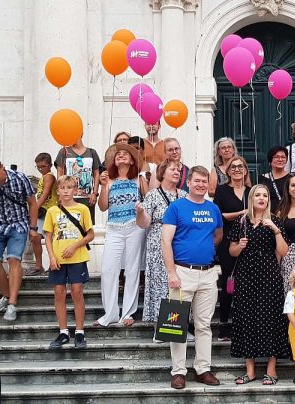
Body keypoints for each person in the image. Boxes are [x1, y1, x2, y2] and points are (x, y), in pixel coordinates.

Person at [162, 166, 223, 390]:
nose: (200, 185)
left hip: (207, 273)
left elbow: (218, 235)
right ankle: (178, 372)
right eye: (196, 181)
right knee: (175, 324)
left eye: (204, 182)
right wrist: (171, 272)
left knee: (204, 325)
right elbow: (165, 241)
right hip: (181, 272)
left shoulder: (213, 209)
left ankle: (202, 369)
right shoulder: (176, 207)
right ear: (188, 182)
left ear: (208, 184)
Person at [229, 184, 290, 385]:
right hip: (246, 275)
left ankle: (271, 370)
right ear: (252, 199)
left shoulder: (276, 221)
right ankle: (251, 370)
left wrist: (276, 231)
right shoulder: (242, 221)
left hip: (269, 275)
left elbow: (283, 251)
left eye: (265, 195)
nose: (262, 198)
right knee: (246, 318)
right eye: (258, 195)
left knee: (271, 318)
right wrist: (240, 245)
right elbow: (232, 252)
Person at [0, 154, 39, 322]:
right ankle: (5, 295)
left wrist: (33, 228)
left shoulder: (20, 178)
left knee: (13, 259)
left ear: (2, 167)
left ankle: (12, 303)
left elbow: (32, 203)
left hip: (18, 225)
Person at [95, 143, 147, 327]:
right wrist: (102, 187)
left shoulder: (139, 179)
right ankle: (110, 313)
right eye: (118, 155)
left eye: (126, 154)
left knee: (132, 270)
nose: (122, 156)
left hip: (135, 227)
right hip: (114, 228)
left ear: (132, 160)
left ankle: (128, 313)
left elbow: (147, 201)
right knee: (109, 270)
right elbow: (102, 207)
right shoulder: (108, 180)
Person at [43, 175, 95, 349]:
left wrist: (75, 246)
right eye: (62, 188)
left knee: (77, 291)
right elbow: (48, 236)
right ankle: (63, 331)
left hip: (77, 257)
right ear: (58, 191)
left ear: (75, 190)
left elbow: (90, 234)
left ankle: (79, 332)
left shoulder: (82, 209)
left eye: (69, 188)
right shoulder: (52, 211)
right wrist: (51, 256)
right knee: (59, 292)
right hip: (57, 258)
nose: (66, 191)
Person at [136, 160, 187, 326]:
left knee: (179, 284)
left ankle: (179, 325)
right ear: (163, 172)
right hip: (158, 244)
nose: (177, 172)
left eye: (178, 170)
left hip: (179, 243)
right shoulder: (153, 195)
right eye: (173, 169)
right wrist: (140, 212)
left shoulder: (184, 195)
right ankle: (161, 326)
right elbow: (144, 224)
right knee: (160, 285)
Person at [212, 156, 251, 340]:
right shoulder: (221, 190)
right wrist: (241, 213)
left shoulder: (252, 191)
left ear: (245, 170)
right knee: (229, 284)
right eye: (233, 167)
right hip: (227, 241)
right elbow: (218, 215)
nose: (237, 169)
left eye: (240, 166)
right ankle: (224, 326)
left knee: (246, 284)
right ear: (227, 172)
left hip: (248, 241)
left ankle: (244, 325)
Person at [55, 137, 101, 224]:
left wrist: (95, 193)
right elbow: (60, 173)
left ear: (81, 134)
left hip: (87, 198)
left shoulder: (91, 152)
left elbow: (96, 173)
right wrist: (61, 194)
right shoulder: (64, 151)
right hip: (69, 196)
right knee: (69, 225)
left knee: (87, 225)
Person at [29, 152, 58, 275]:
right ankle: (39, 265)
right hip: (41, 210)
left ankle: (54, 263)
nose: (41, 169)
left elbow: (45, 194)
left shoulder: (49, 176)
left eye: (43, 166)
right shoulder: (44, 176)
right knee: (35, 237)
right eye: (38, 167)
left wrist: (33, 209)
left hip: (49, 210)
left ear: (50, 165)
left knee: (49, 238)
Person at [259, 145, 290, 213]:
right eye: (276, 157)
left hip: (288, 215)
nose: (280, 159)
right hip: (268, 215)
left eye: (283, 157)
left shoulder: (291, 178)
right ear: (270, 160)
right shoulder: (263, 178)